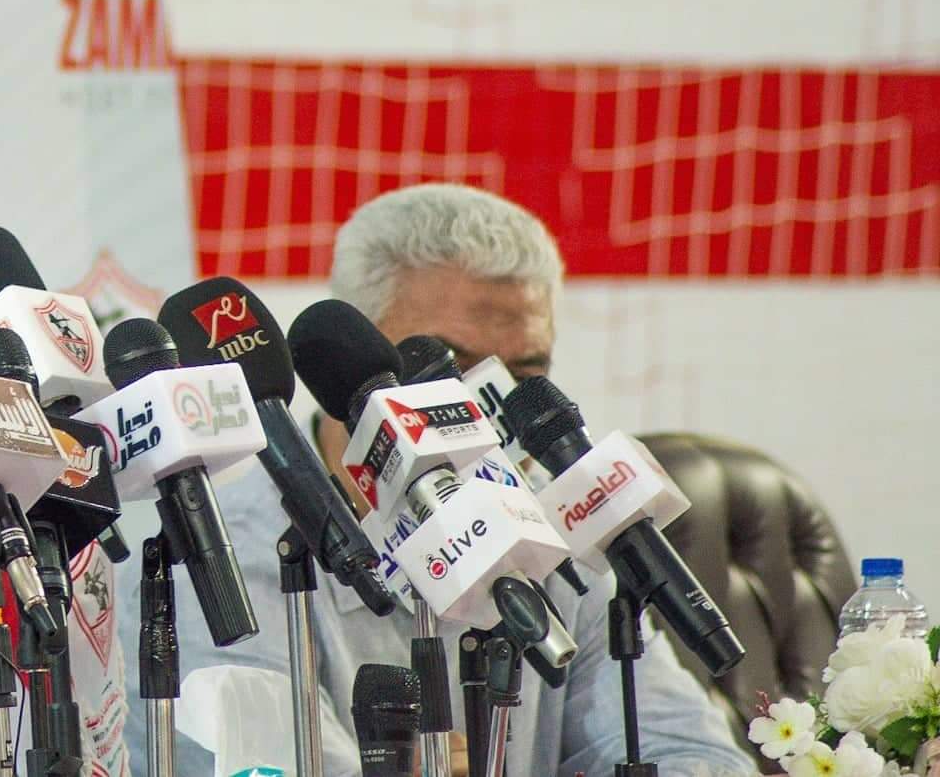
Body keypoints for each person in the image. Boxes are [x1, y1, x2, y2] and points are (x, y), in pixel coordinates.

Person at [121, 183, 756, 776]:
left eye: (524, 374)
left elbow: (696, 756)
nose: (485, 403)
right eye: (443, 367)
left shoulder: (559, 532)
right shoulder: (225, 560)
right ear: (345, 369)